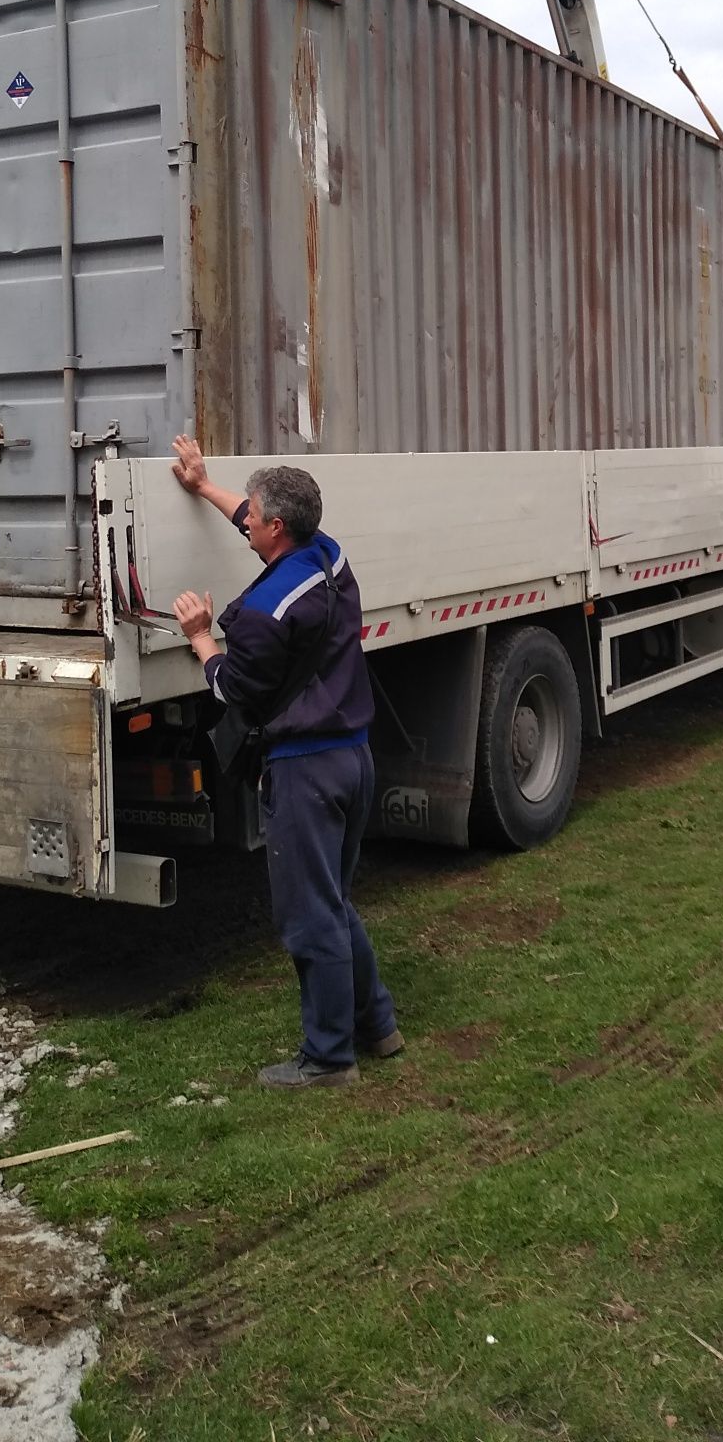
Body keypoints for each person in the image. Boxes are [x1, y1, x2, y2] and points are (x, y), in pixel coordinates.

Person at [169, 436, 400, 1090]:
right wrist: (202, 484)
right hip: (352, 757)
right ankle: (376, 1023)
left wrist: (200, 636)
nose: (246, 518)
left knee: (308, 917)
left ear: (275, 527)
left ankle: (328, 1059)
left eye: (254, 513)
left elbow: (231, 689)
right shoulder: (329, 556)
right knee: (334, 900)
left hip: (306, 773)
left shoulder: (267, 614)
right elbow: (252, 515)